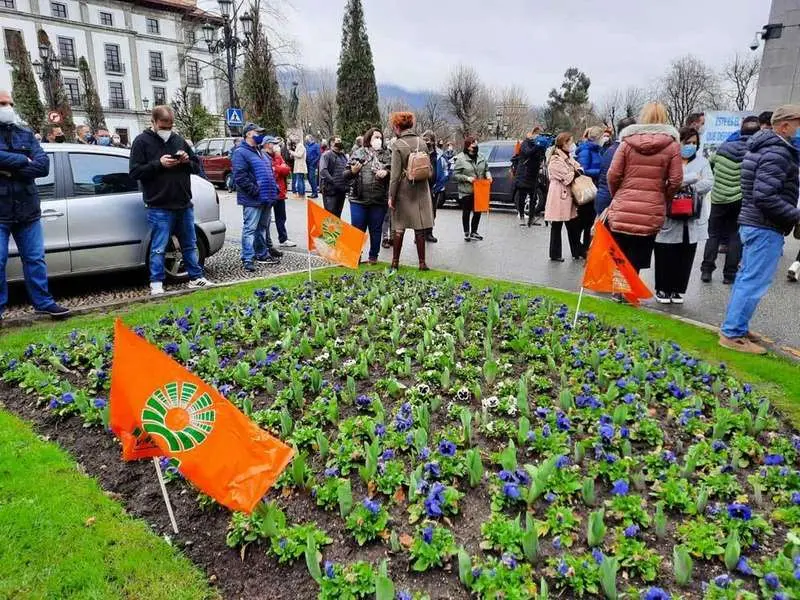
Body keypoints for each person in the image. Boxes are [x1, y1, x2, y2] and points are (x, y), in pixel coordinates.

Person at [719, 105, 800, 354]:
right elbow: (765, 196)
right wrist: (796, 216)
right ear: (784, 126)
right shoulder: (777, 152)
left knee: (747, 278)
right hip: (764, 226)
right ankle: (732, 333)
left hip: (755, 223)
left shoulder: (765, 148)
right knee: (754, 281)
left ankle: (737, 326)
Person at [0, 90, 70, 321]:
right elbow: (29, 162)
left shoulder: (24, 133)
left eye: (10, 103)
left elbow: (42, 166)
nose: (7, 107)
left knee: (35, 258)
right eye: (2, 103)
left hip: (27, 208)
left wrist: (9, 167)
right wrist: (21, 160)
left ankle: (43, 302)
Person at [129, 105, 211, 295]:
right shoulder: (141, 142)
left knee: (189, 243)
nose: (167, 129)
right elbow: (135, 172)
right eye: (164, 125)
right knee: (159, 246)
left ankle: (196, 277)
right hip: (159, 204)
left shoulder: (179, 140)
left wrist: (185, 161)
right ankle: (156, 282)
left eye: (170, 125)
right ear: (154, 122)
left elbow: (195, 166)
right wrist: (159, 164)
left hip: (183, 202)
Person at [607, 102, 683, 274]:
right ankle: (630, 292)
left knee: (620, 256)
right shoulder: (672, 146)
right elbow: (676, 179)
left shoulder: (626, 143)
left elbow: (613, 174)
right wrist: (664, 198)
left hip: (623, 206)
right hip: (651, 209)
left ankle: (618, 290)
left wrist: (618, 194)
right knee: (637, 258)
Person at [652, 127, 713, 304]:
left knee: (685, 255)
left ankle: (677, 290)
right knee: (666, 253)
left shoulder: (703, 162)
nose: (691, 146)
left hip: (691, 216)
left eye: (694, 143)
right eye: (687, 142)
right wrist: (692, 178)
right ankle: (662, 288)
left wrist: (686, 185)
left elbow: (708, 182)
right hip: (669, 216)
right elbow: (663, 183)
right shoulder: (667, 161)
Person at [701, 116, 761, 284]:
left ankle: (706, 270)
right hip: (740, 199)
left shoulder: (723, 148)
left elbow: (711, 165)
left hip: (719, 197)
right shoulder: (756, 152)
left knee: (713, 234)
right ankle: (729, 275)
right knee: (735, 236)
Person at [387, 111, 434, 270]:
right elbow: (430, 168)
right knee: (419, 227)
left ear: (397, 126)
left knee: (399, 227)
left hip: (404, 190)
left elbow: (394, 176)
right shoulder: (422, 142)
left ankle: (395, 263)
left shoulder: (397, 145)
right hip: (421, 188)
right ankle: (422, 263)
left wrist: (391, 196)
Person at [231, 122, 280, 272]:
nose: (260, 135)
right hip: (253, 198)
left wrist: (274, 189)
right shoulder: (240, 152)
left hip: (266, 197)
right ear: (248, 134)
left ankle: (261, 253)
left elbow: (268, 173)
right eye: (257, 132)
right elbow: (240, 176)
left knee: (262, 228)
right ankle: (247, 258)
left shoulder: (259, 152)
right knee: (250, 229)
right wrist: (255, 190)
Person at [346, 127, 390, 264]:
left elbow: (394, 172)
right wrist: (353, 171)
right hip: (358, 199)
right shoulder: (358, 153)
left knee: (376, 230)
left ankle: (373, 257)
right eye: (375, 137)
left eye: (380, 138)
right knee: (357, 229)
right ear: (368, 139)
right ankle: (355, 256)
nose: (379, 140)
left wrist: (387, 173)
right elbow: (345, 174)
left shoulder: (387, 154)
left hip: (378, 200)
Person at [545, 132, 582, 262]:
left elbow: (577, 167)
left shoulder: (567, 157)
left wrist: (575, 171)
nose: (572, 145)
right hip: (558, 195)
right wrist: (575, 172)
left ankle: (577, 251)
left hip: (567, 195)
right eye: (570, 142)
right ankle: (555, 253)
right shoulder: (555, 159)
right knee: (557, 224)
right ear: (564, 143)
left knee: (573, 224)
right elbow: (567, 177)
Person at [453, 136, 492, 242]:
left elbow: (486, 169)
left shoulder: (482, 157)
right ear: (468, 146)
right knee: (466, 211)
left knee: (477, 211)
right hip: (466, 190)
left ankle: (474, 231)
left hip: (479, 189)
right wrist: (467, 178)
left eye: (476, 143)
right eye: (473, 144)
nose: (475, 146)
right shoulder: (461, 158)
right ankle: (466, 232)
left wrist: (488, 176)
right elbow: (455, 175)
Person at [596, 117, 636, 215]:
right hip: (613, 201)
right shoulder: (622, 151)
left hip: (603, 198)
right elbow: (613, 177)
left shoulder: (611, 149)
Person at [574, 126, 604, 254]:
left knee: (589, 220)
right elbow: (583, 170)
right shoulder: (586, 151)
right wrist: (601, 172)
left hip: (595, 187)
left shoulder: (598, 150)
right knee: (585, 220)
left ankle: (586, 247)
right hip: (587, 188)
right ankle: (580, 247)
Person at [265, 136, 297, 249]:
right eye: (274, 144)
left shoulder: (278, 157)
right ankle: (266, 243)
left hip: (280, 192)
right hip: (269, 192)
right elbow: (271, 172)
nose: (277, 146)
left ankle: (283, 238)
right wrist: (279, 169)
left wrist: (277, 168)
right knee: (266, 219)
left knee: (281, 217)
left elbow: (287, 170)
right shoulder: (265, 157)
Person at [513, 126, 548, 227]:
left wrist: (542, 148)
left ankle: (532, 218)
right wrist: (537, 146)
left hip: (533, 173)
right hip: (524, 173)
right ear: (532, 134)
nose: (538, 137)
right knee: (522, 196)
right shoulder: (525, 143)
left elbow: (541, 157)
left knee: (533, 197)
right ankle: (522, 216)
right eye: (537, 134)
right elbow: (528, 152)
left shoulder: (538, 145)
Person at [421, 130, 447, 243]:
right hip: (421, 187)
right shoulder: (420, 152)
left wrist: (439, 185)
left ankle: (429, 233)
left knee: (432, 211)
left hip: (435, 187)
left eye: (428, 140)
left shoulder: (439, 155)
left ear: (433, 141)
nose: (426, 142)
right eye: (424, 139)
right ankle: (420, 234)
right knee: (421, 211)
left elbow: (445, 170)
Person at [319, 136, 349, 217]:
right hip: (330, 191)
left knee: (337, 215)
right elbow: (323, 171)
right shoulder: (326, 155)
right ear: (331, 143)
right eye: (337, 142)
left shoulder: (343, 156)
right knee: (330, 216)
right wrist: (333, 181)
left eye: (340, 141)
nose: (339, 143)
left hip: (341, 190)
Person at [305, 135, 321, 199]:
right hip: (307, 164)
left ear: (311, 139)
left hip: (312, 164)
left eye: (307, 139)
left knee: (312, 178)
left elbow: (319, 155)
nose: (306, 140)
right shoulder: (307, 146)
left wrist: (314, 162)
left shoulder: (316, 145)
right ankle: (313, 192)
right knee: (309, 178)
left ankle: (315, 193)